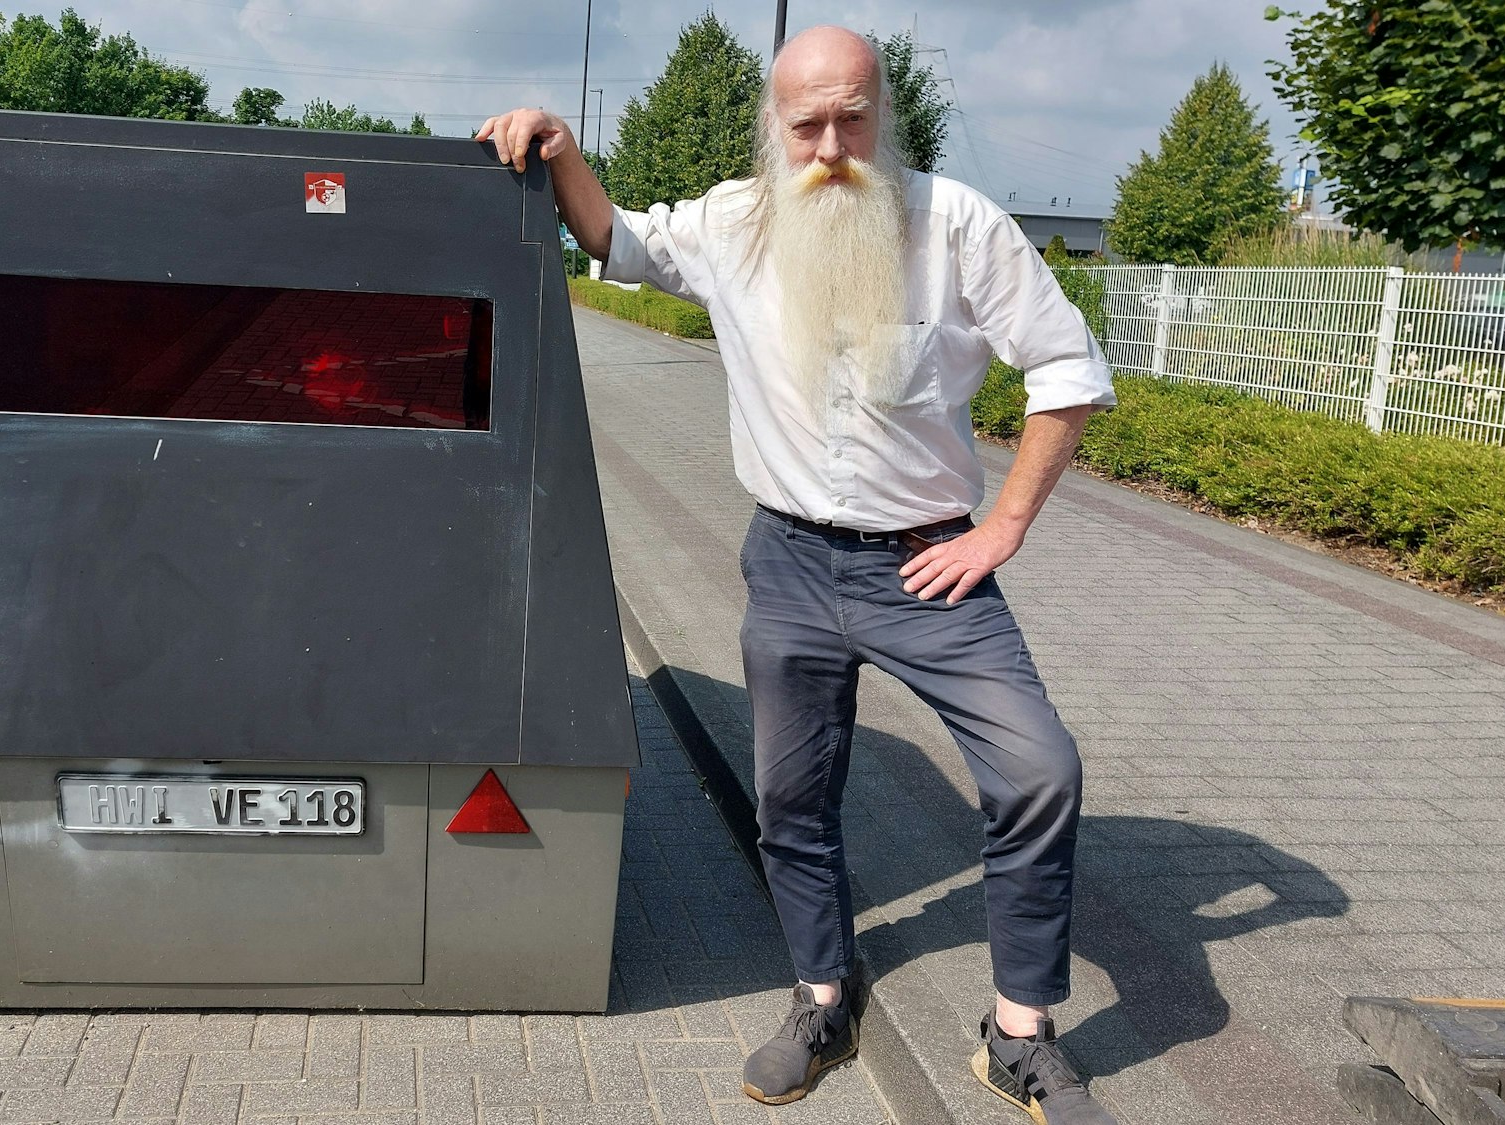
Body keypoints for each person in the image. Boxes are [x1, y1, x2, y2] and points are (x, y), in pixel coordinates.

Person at [478, 24, 1116, 1125]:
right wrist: (559, 144)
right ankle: (823, 994)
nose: (829, 145)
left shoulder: (955, 225)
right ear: (775, 125)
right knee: (788, 800)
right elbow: (615, 239)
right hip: (785, 564)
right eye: (805, 122)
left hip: (928, 569)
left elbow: (1065, 371)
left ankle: (1016, 1033)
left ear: (885, 113)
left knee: (1038, 771)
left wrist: (1002, 527)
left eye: (849, 118)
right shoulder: (736, 219)